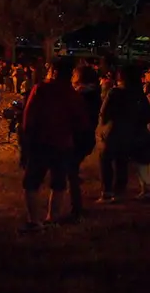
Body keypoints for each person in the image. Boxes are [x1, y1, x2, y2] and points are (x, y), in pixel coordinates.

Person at [20, 58, 87, 232]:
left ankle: (34, 221)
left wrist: (26, 142)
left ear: (54, 71)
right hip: (63, 144)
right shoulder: (73, 95)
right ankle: (52, 218)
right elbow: (80, 123)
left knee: (31, 183)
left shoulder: (41, 89)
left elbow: (28, 118)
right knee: (58, 183)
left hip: (41, 143)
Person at [97, 66, 150, 203]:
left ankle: (107, 193)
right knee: (122, 162)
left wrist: (103, 128)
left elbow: (104, 113)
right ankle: (119, 192)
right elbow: (146, 115)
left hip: (114, 132)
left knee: (106, 161)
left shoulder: (114, 93)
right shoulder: (139, 95)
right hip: (131, 133)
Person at [68, 65, 102, 221]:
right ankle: (75, 207)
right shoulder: (94, 93)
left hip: (79, 137)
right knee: (71, 170)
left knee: (71, 172)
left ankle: (76, 209)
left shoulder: (82, 95)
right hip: (87, 138)